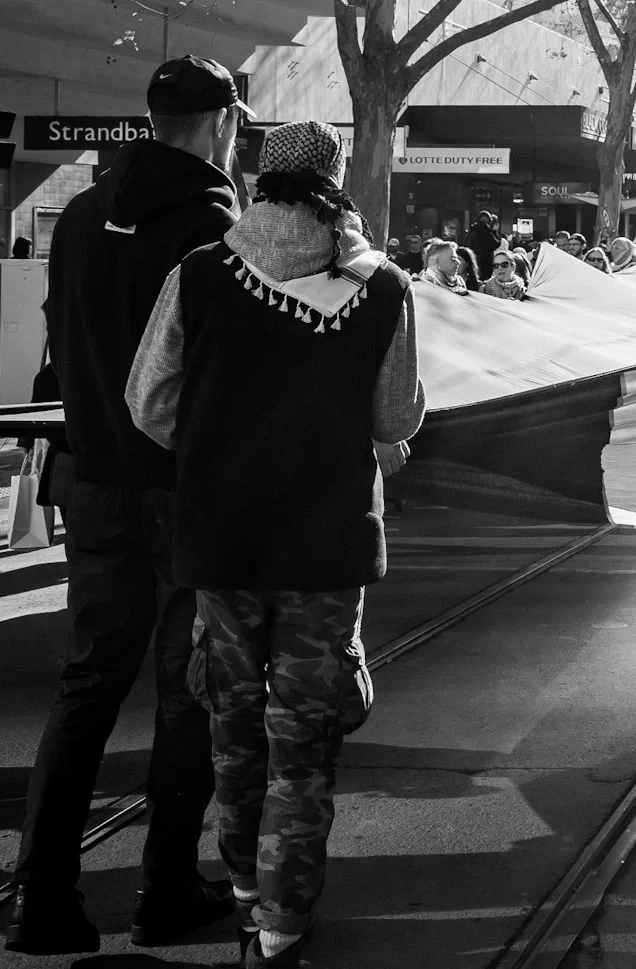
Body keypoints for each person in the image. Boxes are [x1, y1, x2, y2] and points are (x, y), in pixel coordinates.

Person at [127, 119, 428, 963]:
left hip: (222, 540)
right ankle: (282, 925)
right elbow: (396, 416)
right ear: (336, 185)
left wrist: (217, 445)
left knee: (233, 728)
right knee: (302, 741)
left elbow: (148, 400)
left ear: (259, 179)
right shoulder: (384, 286)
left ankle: (246, 895)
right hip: (326, 548)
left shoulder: (199, 273)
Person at [7, 56, 251, 954]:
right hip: (183, 492)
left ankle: (41, 900)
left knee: (86, 688)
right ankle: (166, 886)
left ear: (150, 118)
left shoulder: (76, 215)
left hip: (97, 486)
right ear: (224, 120)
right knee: (189, 694)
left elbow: (60, 343)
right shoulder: (218, 225)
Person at [468, 211, 501, 280]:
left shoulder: (472, 230)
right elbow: (496, 244)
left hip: (473, 259)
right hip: (486, 261)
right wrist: (495, 231)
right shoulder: (487, 232)